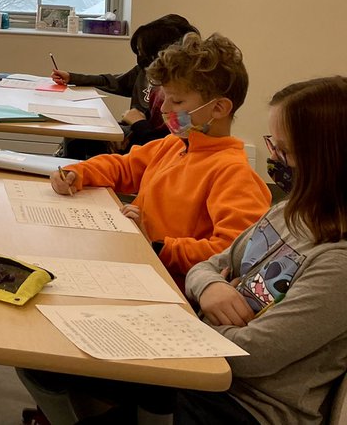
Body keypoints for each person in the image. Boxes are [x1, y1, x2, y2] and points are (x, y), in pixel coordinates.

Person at [21, 76, 347, 425]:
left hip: (245, 405)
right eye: (271, 145)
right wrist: (211, 287)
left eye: (283, 150)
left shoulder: (337, 264)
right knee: (43, 357)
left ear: (325, 160)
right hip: (201, 360)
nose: (273, 158)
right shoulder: (289, 212)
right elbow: (210, 265)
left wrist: (194, 314)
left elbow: (252, 355)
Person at [49, 33, 271, 283]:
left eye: (176, 100)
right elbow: (123, 167)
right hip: (141, 263)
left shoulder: (234, 173)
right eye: (164, 98)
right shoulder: (172, 145)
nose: (164, 109)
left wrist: (158, 246)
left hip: (170, 284)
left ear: (218, 108)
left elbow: (232, 253)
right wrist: (78, 173)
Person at [52, 13, 199, 158]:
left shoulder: (183, 95)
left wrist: (137, 124)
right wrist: (73, 78)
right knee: (76, 136)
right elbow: (115, 81)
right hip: (137, 136)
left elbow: (170, 144)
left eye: (143, 52)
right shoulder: (144, 74)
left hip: (146, 144)